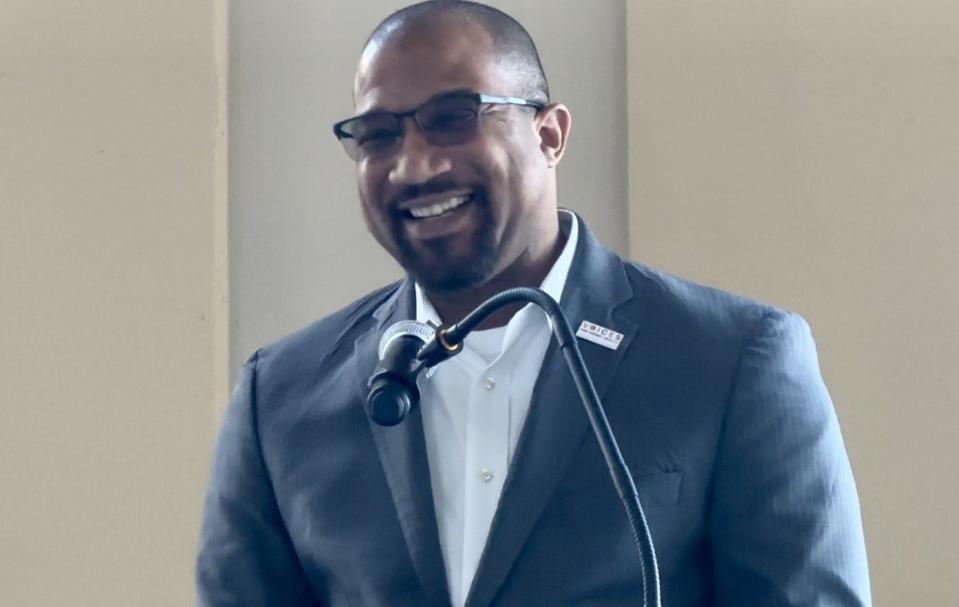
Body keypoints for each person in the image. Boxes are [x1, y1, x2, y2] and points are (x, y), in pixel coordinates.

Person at [196, 1, 872, 605]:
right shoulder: (279, 395)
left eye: (453, 120)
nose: (415, 165)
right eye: (378, 136)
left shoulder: (733, 360)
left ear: (549, 135)